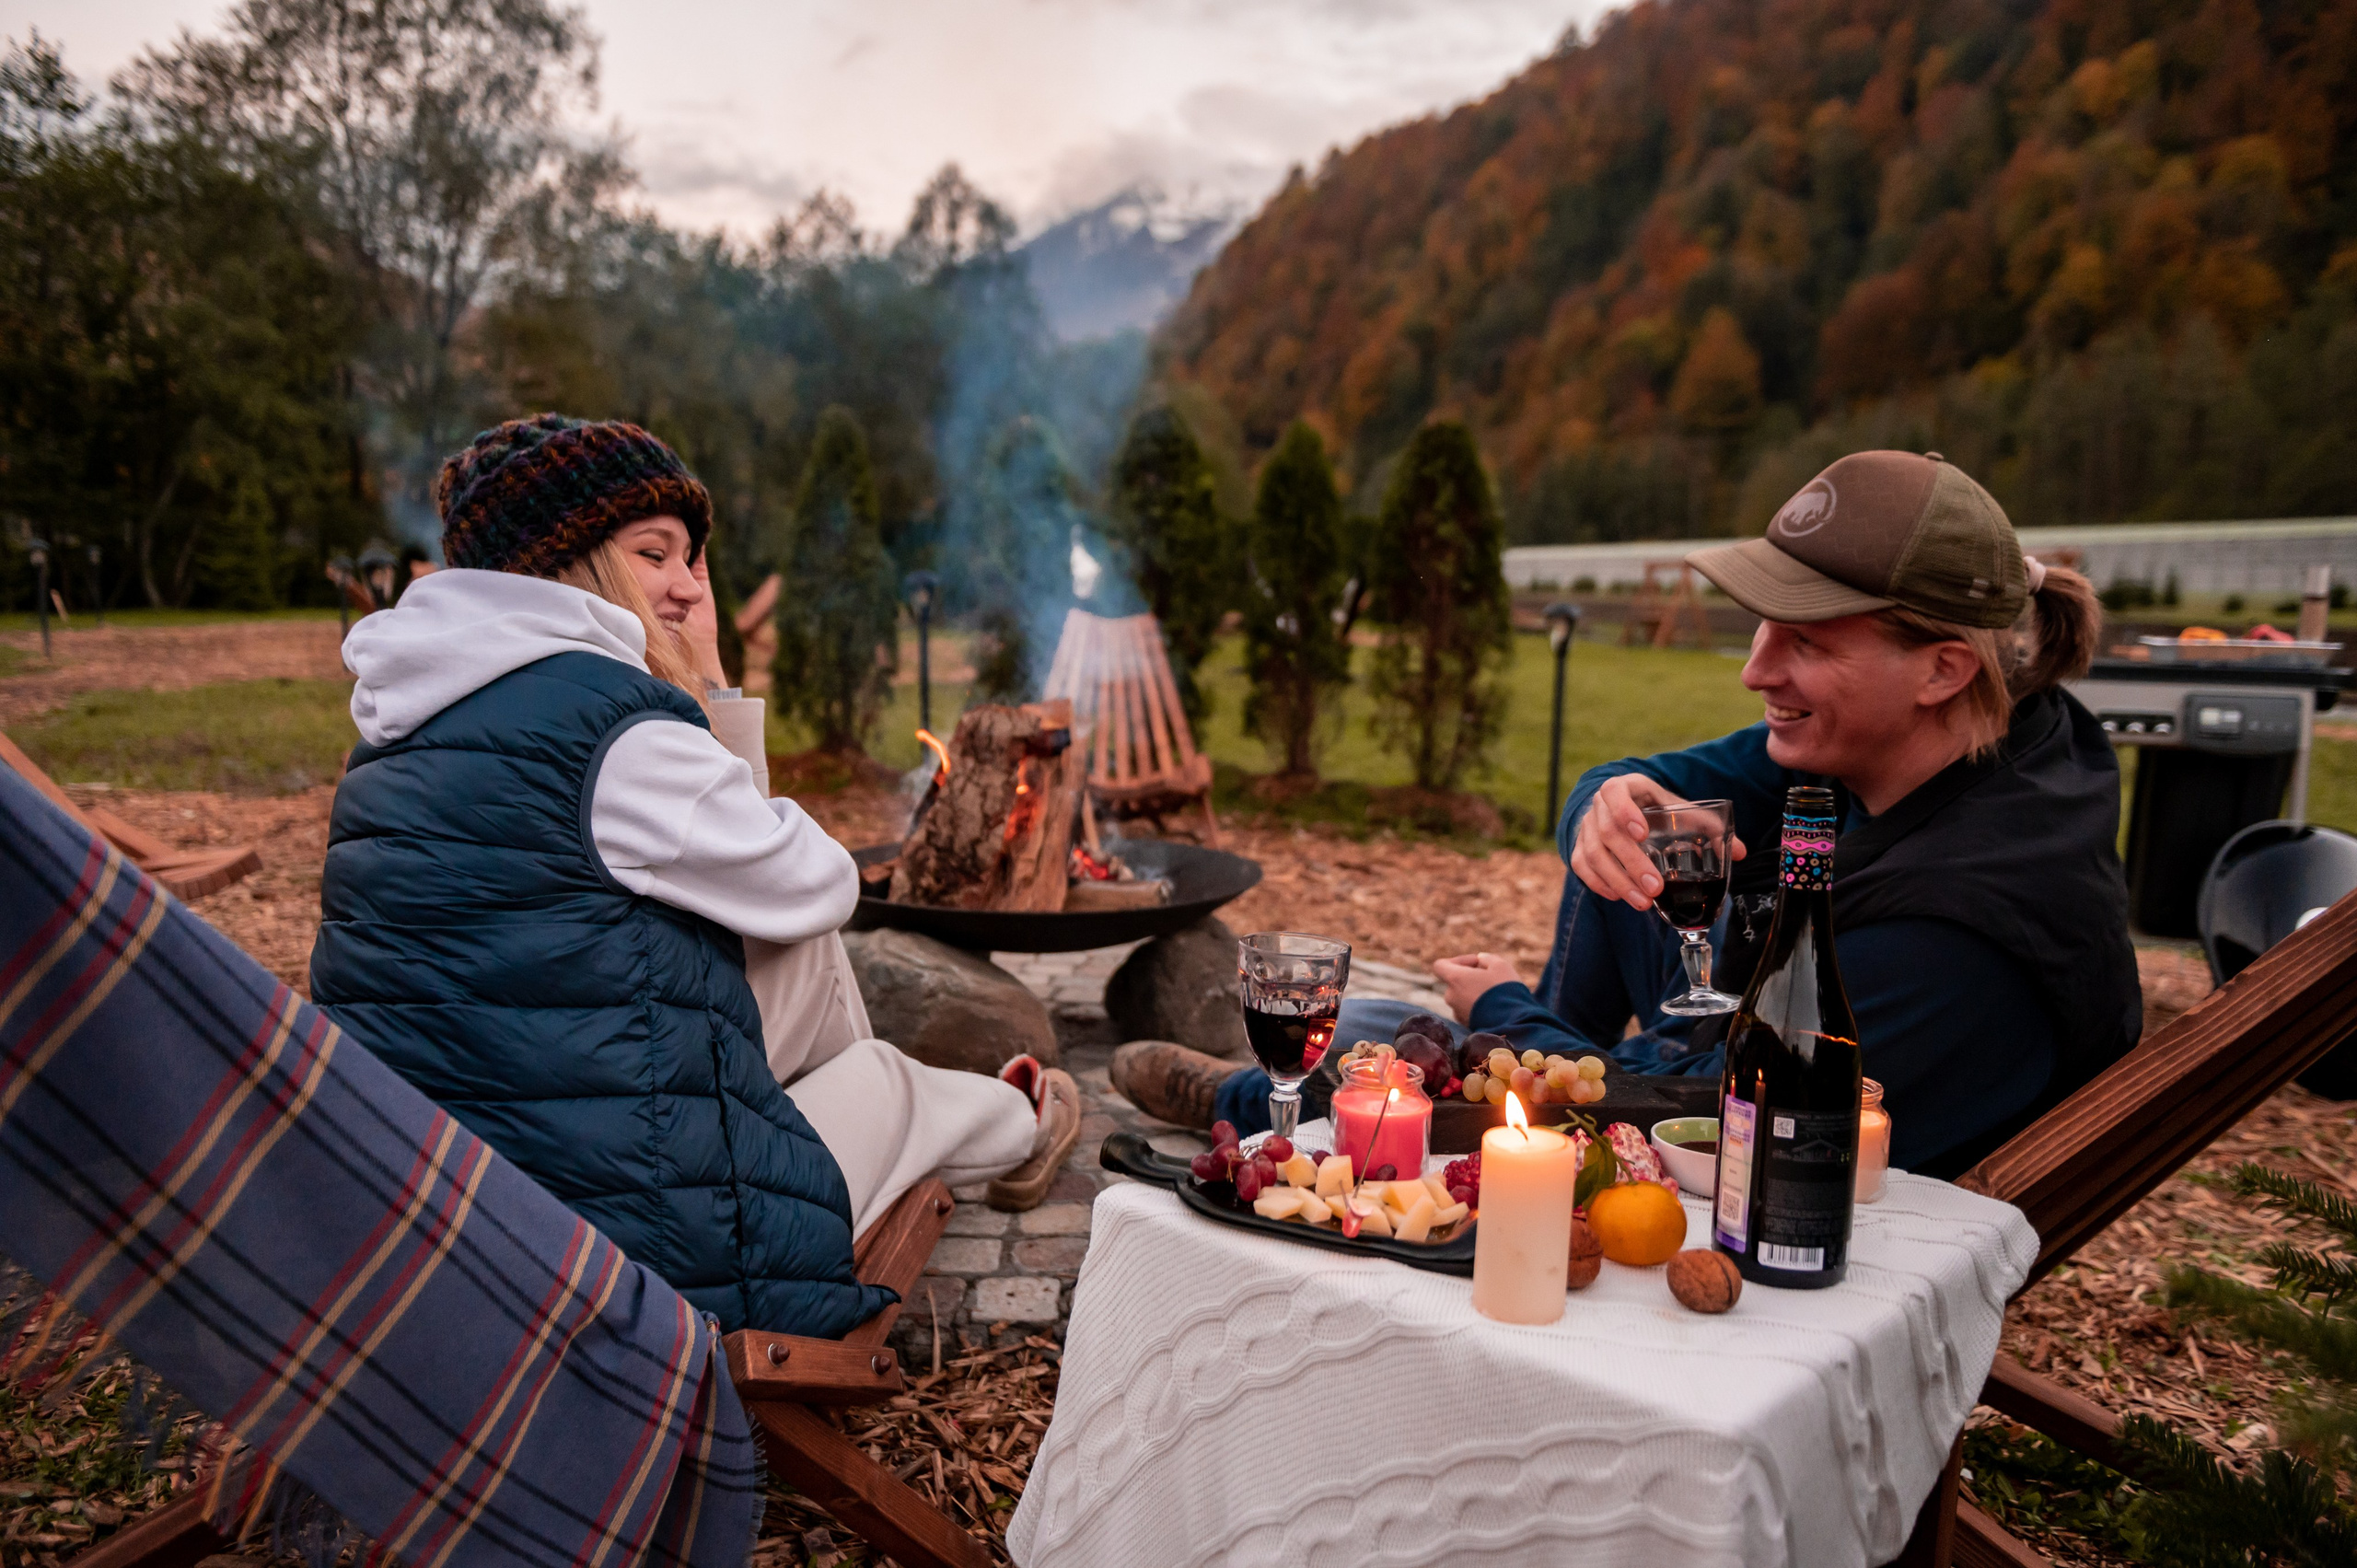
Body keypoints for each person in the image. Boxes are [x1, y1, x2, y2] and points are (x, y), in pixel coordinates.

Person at [1115, 450, 2142, 1179]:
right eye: (1759, 627)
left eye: (1808, 642)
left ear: (1943, 667)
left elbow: (1699, 1115)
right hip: (1727, 1064)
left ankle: (1247, 1101)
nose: (1754, 670)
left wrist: (1509, 1016)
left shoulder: (1959, 936)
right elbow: (1640, 779)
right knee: (1640, 823)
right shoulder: (1964, 729)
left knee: (1436, 1035)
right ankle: (1489, 1066)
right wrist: (1595, 805)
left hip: (1782, 1178)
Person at [310, 413, 1080, 1337]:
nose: (684, 585)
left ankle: (852, 1113)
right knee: (882, 1072)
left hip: (455, 1214)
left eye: (692, 560)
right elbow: (817, 878)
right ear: (566, 559)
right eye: (654, 553)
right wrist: (706, 695)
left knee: (792, 948)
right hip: (635, 1247)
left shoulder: (402, 729)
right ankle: (1021, 1120)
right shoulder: (611, 727)